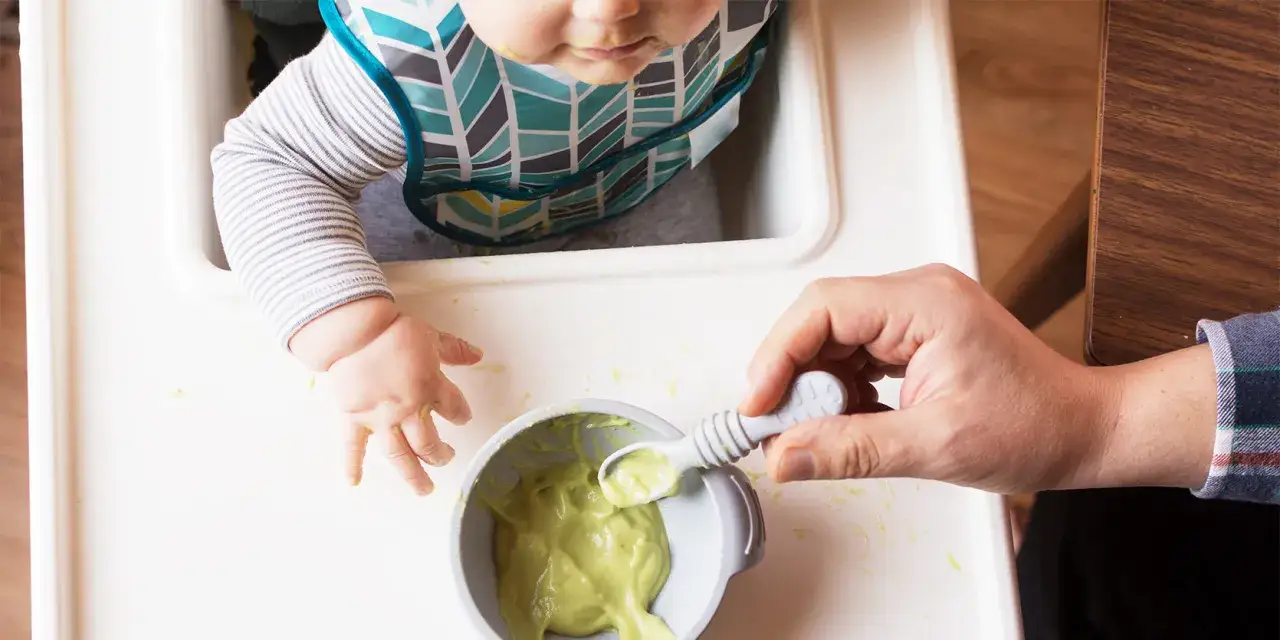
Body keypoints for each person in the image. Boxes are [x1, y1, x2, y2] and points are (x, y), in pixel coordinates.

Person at [213, 0, 781, 494]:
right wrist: (355, 337)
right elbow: (270, 161)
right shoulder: (414, 53)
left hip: (643, 177)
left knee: (697, 364)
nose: (612, 12)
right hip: (428, 221)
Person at [738, 263, 1279, 639]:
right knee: (1093, 531)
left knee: (1068, 604)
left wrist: (1096, 426)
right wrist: (1097, 423)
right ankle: (1033, 546)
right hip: (1189, 483)